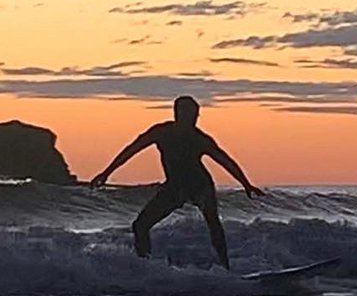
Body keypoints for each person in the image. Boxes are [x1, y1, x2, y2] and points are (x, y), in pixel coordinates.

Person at [89, 96, 263, 268]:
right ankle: (145, 266)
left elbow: (225, 160)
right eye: (190, 116)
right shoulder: (161, 133)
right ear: (177, 114)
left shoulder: (200, 139)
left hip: (200, 185)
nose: (194, 120)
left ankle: (226, 267)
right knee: (140, 226)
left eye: (196, 116)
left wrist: (246, 184)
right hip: (175, 187)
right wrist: (107, 173)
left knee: (213, 223)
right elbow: (132, 149)